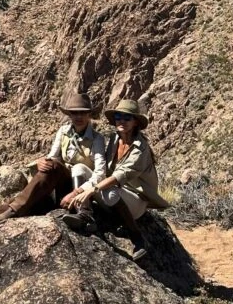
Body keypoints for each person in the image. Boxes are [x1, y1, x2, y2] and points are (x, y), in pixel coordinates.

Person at [0, 93, 106, 239]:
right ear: (69, 115)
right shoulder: (64, 131)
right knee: (20, 199)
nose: (78, 117)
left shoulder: (97, 139)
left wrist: (76, 193)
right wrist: (41, 161)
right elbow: (52, 157)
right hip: (57, 188)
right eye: (74, 113)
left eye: (82, 113)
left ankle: (15, 211)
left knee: (53, 170)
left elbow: (100, 173)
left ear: (89, 115)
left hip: (78, 192)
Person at [66, 98, 169, 261]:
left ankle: (137, 238)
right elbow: (104, 170)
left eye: (127, 118)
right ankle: (84, 214)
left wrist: (91, 189)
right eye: (119, 117)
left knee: (110, 191)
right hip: (114, 191)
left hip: (135, 199)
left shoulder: (140, 149)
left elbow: (118, 176)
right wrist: (79, 190)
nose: (122, 121)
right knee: (79, 169)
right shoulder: (115, 139)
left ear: (135, 122)